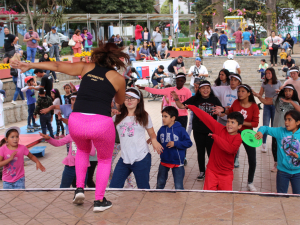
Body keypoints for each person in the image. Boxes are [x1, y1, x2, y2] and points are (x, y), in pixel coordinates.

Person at [11, 41, 129, 212]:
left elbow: (58, 65)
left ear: (97, 55)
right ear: (116, 59)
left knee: (81, 151)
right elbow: (119, 101)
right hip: (101, 123)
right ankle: (99, 200)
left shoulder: (86, 68)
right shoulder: (118, 78)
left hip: (77, 121)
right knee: (104, 160)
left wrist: (28, 64)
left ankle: (79, 189)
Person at [110, 88, 163, 189]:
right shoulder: (117, 116)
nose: (129, 101)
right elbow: (102, 126)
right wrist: (110, 115)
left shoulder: (144, 116)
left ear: (139, 100)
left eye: (132, 98)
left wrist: (154, 140)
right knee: (114, 186)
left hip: (141, 157)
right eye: (127, 98)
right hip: (124, 159)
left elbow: (152, 133)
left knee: (143, 189)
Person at [172, 81, 222, 180]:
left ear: (210, 89)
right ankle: (202, 172)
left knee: (211, 152)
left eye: (207, 88)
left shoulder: (215, 99)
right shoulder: (195, 99)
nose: (205, 90)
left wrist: (222, 111)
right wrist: (176, 98)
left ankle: (212, 171)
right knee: (200, 151)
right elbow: (181, 106)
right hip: (198, 130)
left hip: (211, 131)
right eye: (203, 88)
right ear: (199, 90)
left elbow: (222, 111)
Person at [214, 84, 260, 191]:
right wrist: (222, 111)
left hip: (248, 134)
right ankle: (223, 178)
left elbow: (255, 123)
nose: (240, 93)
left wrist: (241, 122)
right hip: (235, 132)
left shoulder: (254, 106)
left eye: (243, 91)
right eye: (239, 91)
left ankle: (250, 182)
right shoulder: (235, 103)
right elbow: (229, 113)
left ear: (249, 93)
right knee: (229, 155)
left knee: (252, 158)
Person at [187, 105, 243, 190]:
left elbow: (230, 149)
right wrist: (192, 107)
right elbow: (206, 117)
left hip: (226, 174)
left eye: (233, 122)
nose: (229, 124)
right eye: (228, 121)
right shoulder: (220, 129)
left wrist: (216, 137)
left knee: (224, 200)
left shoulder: (238, 138)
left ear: (239, 126)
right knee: (208, 198)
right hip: (211, 171)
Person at [255, 84, 300, 172]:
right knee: (275, 146)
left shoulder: (295, 102)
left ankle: (291, 164)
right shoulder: (278, 100)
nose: (287, 92)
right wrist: (259, 97)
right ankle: (276, 163)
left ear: (293, 92)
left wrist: (291, 102)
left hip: (289, 131)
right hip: (278, 129)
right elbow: (266, 102)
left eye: (289, 91)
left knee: (288, 147)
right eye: (286, 90)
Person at [256, 110, 300, 194]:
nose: (286, 122)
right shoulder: (280, 131)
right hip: (282, 172)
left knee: (298, 198)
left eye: (289, 120)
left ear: (298, 122)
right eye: (285, 119)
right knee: (281, 196)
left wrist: (298, 156)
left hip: (298, 173)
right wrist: (260, 132)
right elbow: (265, 128)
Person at [156, 106, 192, 189]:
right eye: (162, 116)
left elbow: (189, 143)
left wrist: (175, 143)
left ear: (173, 118)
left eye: (166, 116)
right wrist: (153, 140)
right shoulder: (161, 129)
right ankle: (156, 199)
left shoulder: (181, 130)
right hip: (164, 161)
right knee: (159, 184)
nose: (163, 119)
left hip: (177, 162)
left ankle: (179, 202)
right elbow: (158, 142)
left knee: (178, 186)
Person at [253, 67, 281, 152]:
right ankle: (264, 143)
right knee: (265, 124)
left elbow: (282, 92)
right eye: (266, 73)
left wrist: (279, 92)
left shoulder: (278, 82)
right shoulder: (264, 84)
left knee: (274, 126)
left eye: (269, 73)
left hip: (275, 106)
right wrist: (255, 94)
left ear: (273, 74)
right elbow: (260, 94)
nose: (268, 75)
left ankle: (274, 144)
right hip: (266, 105)